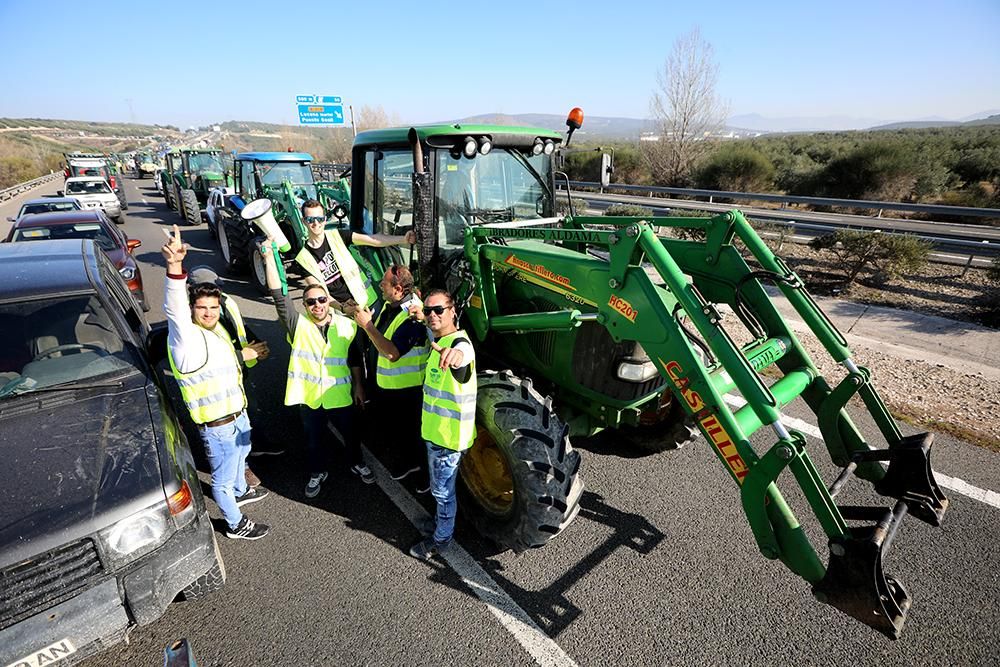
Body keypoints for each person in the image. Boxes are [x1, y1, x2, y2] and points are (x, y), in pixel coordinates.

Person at [161, 225, 270, 541]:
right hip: (217, 425)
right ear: (191, 309)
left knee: (241, 459)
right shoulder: (185, 339)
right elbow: (174, 308)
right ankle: (236, 524)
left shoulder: (214, 330)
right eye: (201, 308)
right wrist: (174, 266)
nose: (208, 312)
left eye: (213, 307)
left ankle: (240, 489)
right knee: (221, 480)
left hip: (237, 416)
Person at [260, 238, 375, 498]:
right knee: (314, 441)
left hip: (340, 395)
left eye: (322, 299)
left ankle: (357, 463)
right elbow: (279, 296)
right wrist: (268, 259)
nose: (317, 305)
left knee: (351, 434)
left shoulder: (347, 325)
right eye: (311, 302)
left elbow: (354, 358)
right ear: (305, 305)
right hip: (310, 398)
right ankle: (317, 472)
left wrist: (358, 386)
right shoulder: (297, 326)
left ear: (328, 299)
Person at [188, 266, 284, 488]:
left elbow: (239, 326)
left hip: (239, 372)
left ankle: (258, 444)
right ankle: (243, 469)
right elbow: (207, 361)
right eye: (210, 288)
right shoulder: (190, 323)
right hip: (216, 388)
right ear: (193, 291)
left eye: (217, 287)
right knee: (228, 429)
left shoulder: (226, 301)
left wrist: (257, 342)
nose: (216, 293)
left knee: (249, 411)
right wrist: (241, 356)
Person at [407, 289, 477, 560]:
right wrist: (418, 313)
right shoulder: (438, 337)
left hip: (447, 440)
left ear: (453, 311)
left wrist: (455, 356)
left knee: (443, 493)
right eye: (428, 310)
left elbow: (463, 353)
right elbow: (431, 331)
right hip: (437, 434)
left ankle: (441, 539)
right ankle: (440, 525)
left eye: (439, 310)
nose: (432, 315)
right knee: (441, 491)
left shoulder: (458, 345)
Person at [353, 265, 430, 491]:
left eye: (383, 284)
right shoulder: (390, 305)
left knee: (416, 435)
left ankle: (425, 477)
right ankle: (407, 464)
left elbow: (391, 353)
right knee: (399, 433)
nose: (379, 287)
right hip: (389, 387)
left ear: (398, 289)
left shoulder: (412, 316)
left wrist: (366, 325)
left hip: (409, 390)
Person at [294, 199, 416, 314]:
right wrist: (343, 308)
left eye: (320, 219)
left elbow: (373, 239)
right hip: (340, 311)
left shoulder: (338, 236)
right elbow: (319, 293)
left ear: (325, 219)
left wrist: (403, 239)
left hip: (366, 300)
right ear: (303, 221)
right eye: (310, 219)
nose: (316, 223)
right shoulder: (303, 258)